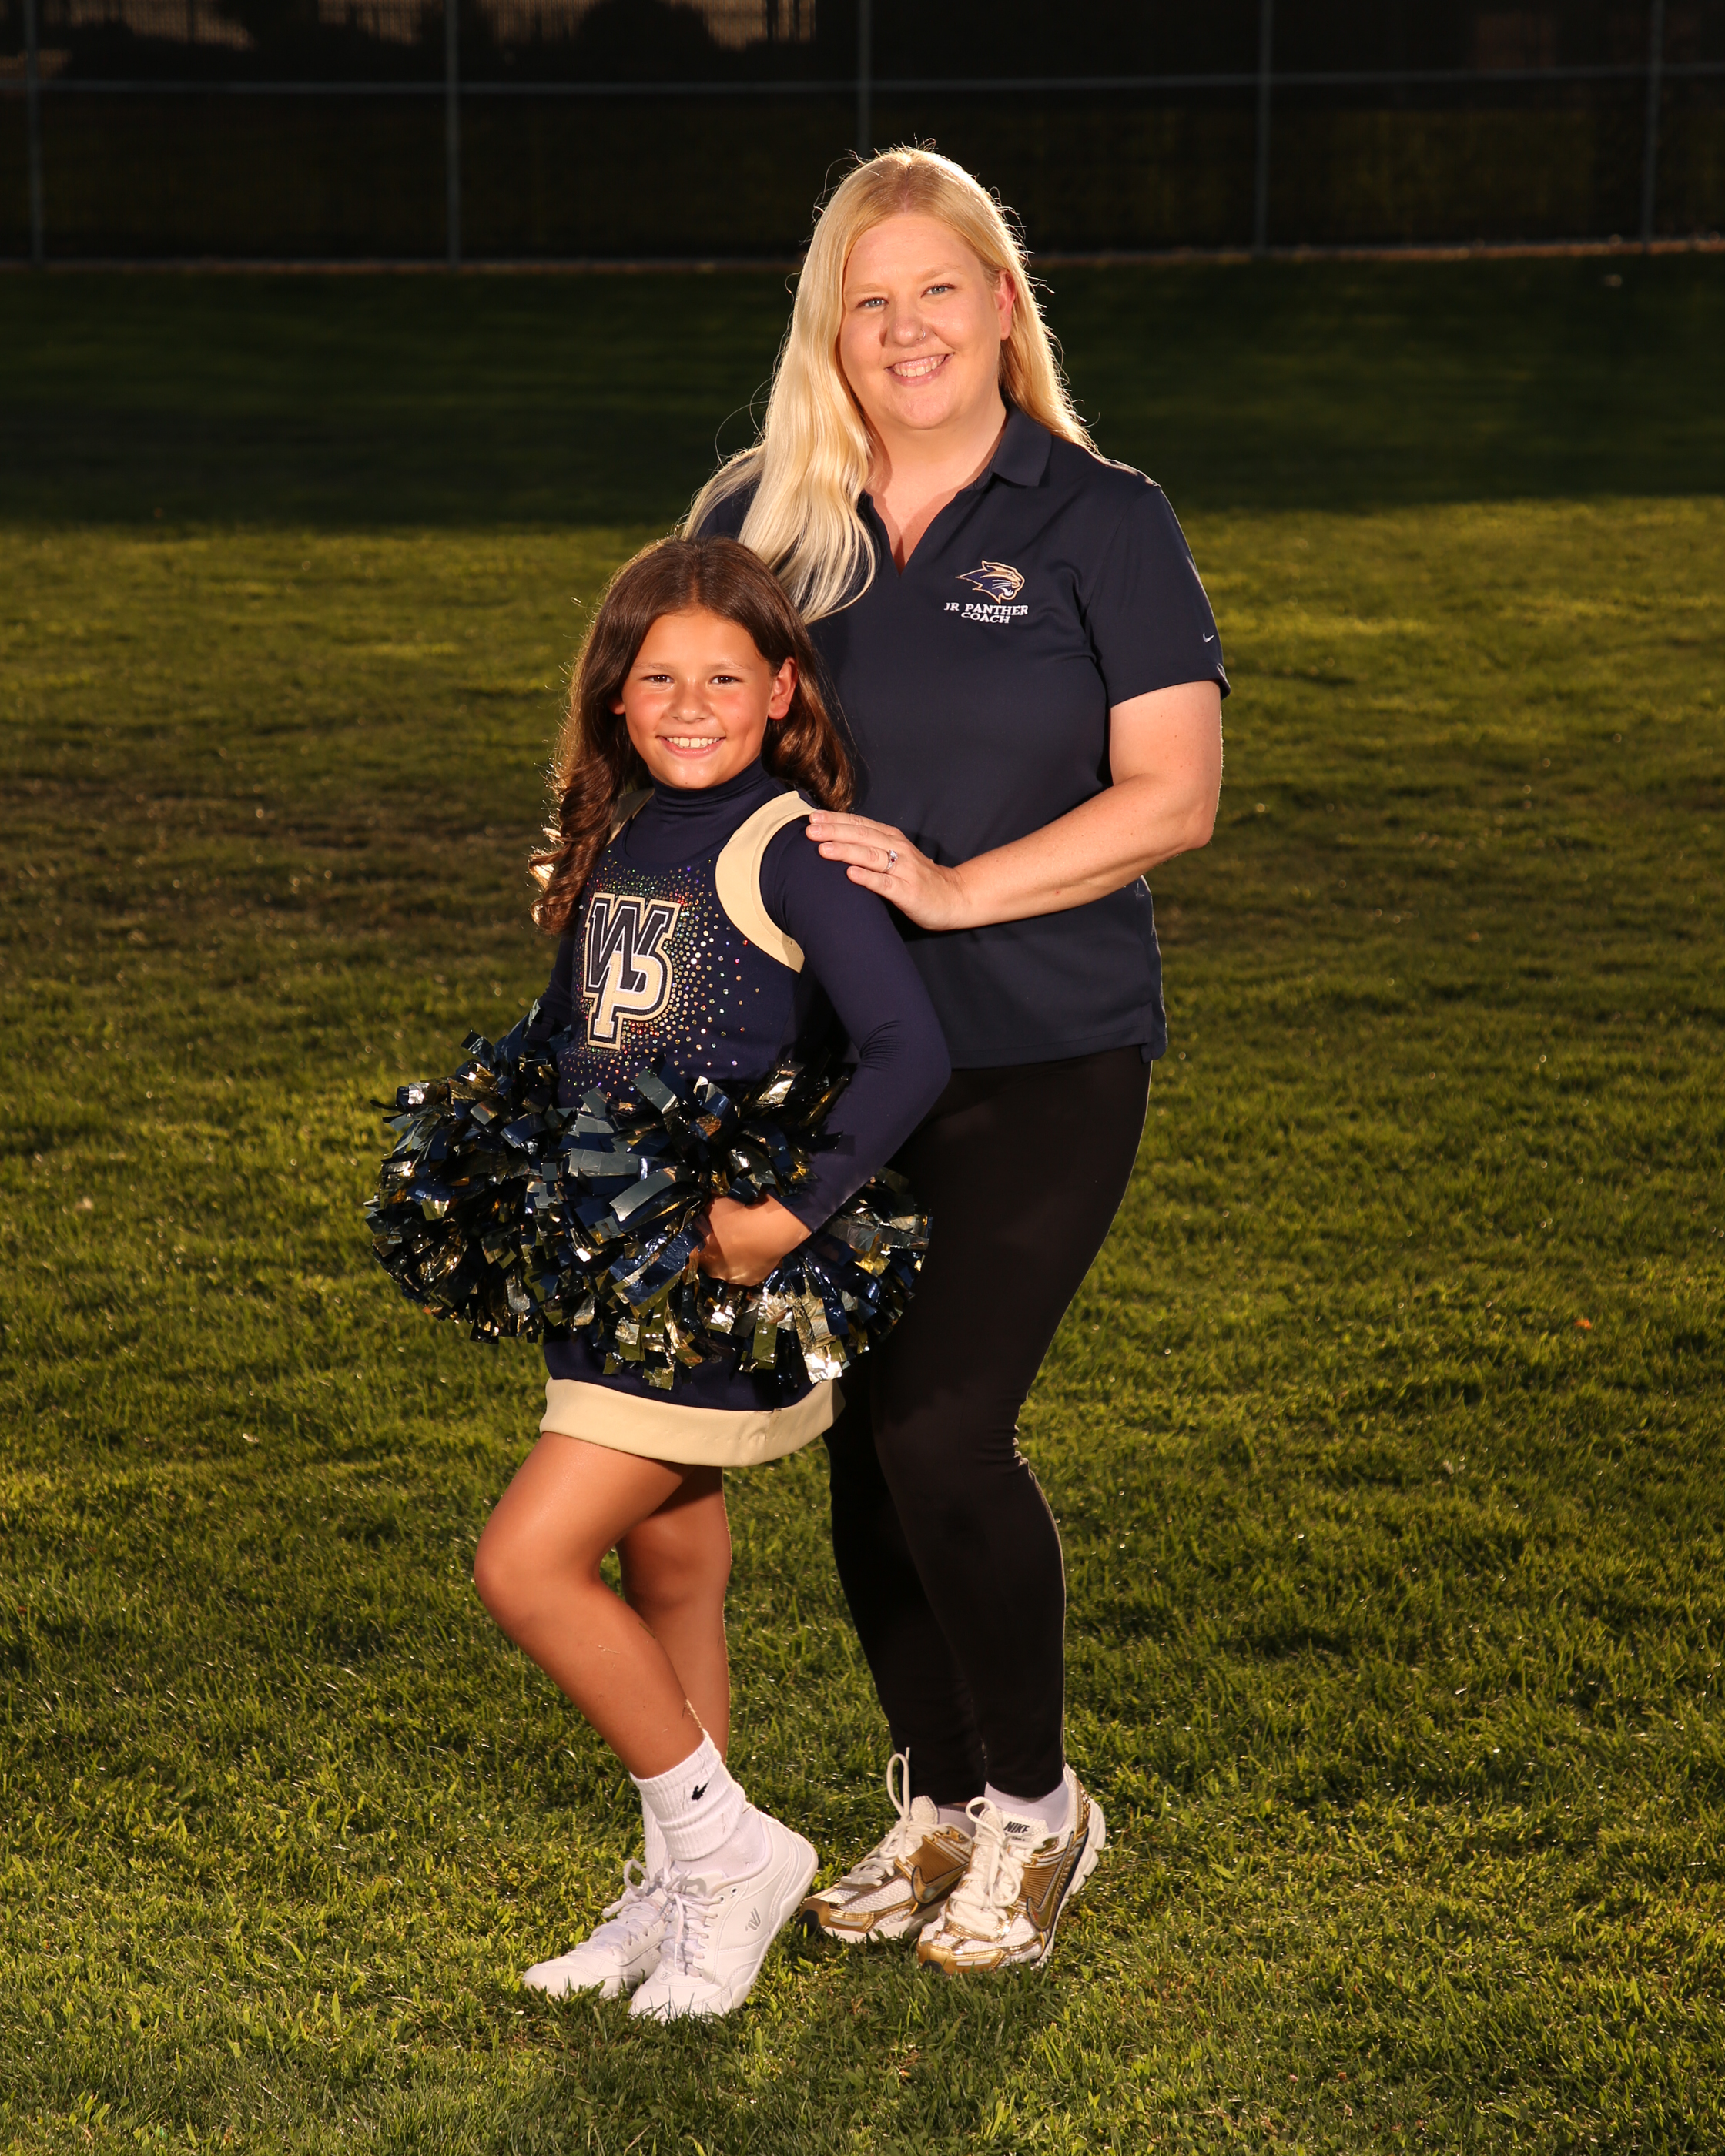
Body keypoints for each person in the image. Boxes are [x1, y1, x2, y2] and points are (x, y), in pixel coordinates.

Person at [688, 148, 1226, 1974]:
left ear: (1003, 304)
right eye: (871, 298)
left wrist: (954, 885)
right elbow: (681, 729)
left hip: (1043, 1046)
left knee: (942, 1423)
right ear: (827, 328)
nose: (907, 328)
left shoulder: (1101, 517)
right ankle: (929, 1800)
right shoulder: (766, 515)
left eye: (940, 289)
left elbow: (1176, 792)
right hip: (829, 1067)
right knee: (867, 1447)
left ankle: (1035, 1805)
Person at [471, 534, 950, 2019]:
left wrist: (786, 1214)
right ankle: (686, 1899)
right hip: (616, 1265)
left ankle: (733, 1856)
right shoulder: (624, 839)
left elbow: (908, 1050)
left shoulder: (790, 848)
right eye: (658, 676)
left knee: (526, 1565)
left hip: (708, 1284)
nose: (690, 706)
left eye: (724, 679)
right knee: (670, 1568)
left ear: (783, 690)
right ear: (614, 696)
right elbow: (580, 1045)